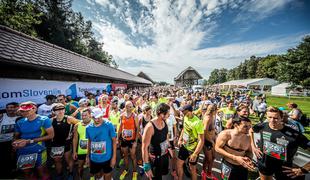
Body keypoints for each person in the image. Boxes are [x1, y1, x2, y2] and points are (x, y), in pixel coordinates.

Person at [250, 106, 310, 180]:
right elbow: (251, 130)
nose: (272, 120)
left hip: (285, 169)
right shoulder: (263, 126)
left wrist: (303, 169)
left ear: (281, 118)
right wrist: (253, 146)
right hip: (264, 163)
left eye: (276, 118)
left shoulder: (294, 135)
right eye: (269, 117)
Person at [13, 101, 54, 180]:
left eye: (27, 110)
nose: (24, 112)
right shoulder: (19, 122)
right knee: (27, 173)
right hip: (22, 151)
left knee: (42, 172)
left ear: (34, 109)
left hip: (38, 149)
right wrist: (14, 143)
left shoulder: (44, 119)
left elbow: (51, 135)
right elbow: (16, 136)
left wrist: (30, 141)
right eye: (22, 110)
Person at [50, 103, 79, 179]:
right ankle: (59, 174)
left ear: (64, 110)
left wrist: (74, 131)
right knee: (57, 160)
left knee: (68, 159)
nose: (60, 111)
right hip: (55, 143)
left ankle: (71, 173)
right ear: (54, 112)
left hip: (66, 143)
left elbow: (80, 123)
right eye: (57, 110)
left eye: (62, 109)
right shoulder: (51, 120)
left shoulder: (69, 118)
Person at [86, 108, 117, 180]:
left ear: (102, 115)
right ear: (91, 117)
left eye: (99, 117)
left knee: (107, 175)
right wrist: (87, 156)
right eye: (95, 118)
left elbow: (114, 141)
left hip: (107, 158)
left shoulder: (109, 125)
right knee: (97, 176)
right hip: (94, 158)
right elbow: (89, 142)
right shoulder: (88, 128)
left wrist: (114, 157)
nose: (97, 119)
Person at [142, 103, 170, 180]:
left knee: (162, 174)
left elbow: (166, 135)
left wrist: (169, 146)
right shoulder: (150, 126)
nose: (169, 115)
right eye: (168, 114)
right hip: (155, 159)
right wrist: (146, 165)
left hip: (164, 156)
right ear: (161, 114)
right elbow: (144, 147)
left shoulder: (164, 121)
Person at [177, 104, 204, 180]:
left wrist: (195, 154)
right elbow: (184, 129)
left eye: (183, 111)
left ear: (189, 111)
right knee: (179, 164)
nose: (182, 113)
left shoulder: (198, 122)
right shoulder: (185, 117)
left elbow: (201, 140)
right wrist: (180, 139)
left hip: (193, 150)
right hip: (184, 146)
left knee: (192, 168)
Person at [118, 101, 139, 180]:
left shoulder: (135, 116)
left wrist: (136, 141)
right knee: (125, 156)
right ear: (125, 107)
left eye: (130, 106)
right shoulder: (122, 115)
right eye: (127, 106)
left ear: (132, 107)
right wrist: (117, 138)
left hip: (132, 140)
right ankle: (126, 170)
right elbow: (120, 127)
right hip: (124, 139)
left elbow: (137, 129)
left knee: (133, 156)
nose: (129, 108)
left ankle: (134, 172)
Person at [0, 102, 19, 178]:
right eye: (7, 107)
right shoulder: (2, 116)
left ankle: (13, 171)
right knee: (4, 158)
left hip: (13, 141)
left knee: (13, 157)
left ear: (15, 108)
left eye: (11, 107)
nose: (9, 109)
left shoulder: (19, 117)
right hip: (2, 141)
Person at [73, 108, 92, 179]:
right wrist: (74, 151)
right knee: (80, 166)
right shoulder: (77, 125)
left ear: (90, 115)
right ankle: (80, 178)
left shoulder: (94, 123)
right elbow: (75, 139)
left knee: (92, 166)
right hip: (81, 149)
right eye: (82, 115)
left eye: (85, 115)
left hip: (91, 150)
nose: (83, 117)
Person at [201, 104, 217, 180]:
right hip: (208, 141)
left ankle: (209, 172)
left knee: (212, 157)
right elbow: (204, 131)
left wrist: (215, 133)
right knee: (209, 159)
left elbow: (211, 129)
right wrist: (210, 141)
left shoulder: (211, 117)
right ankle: (204, 172)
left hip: (211, 140)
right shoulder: (208, 118)